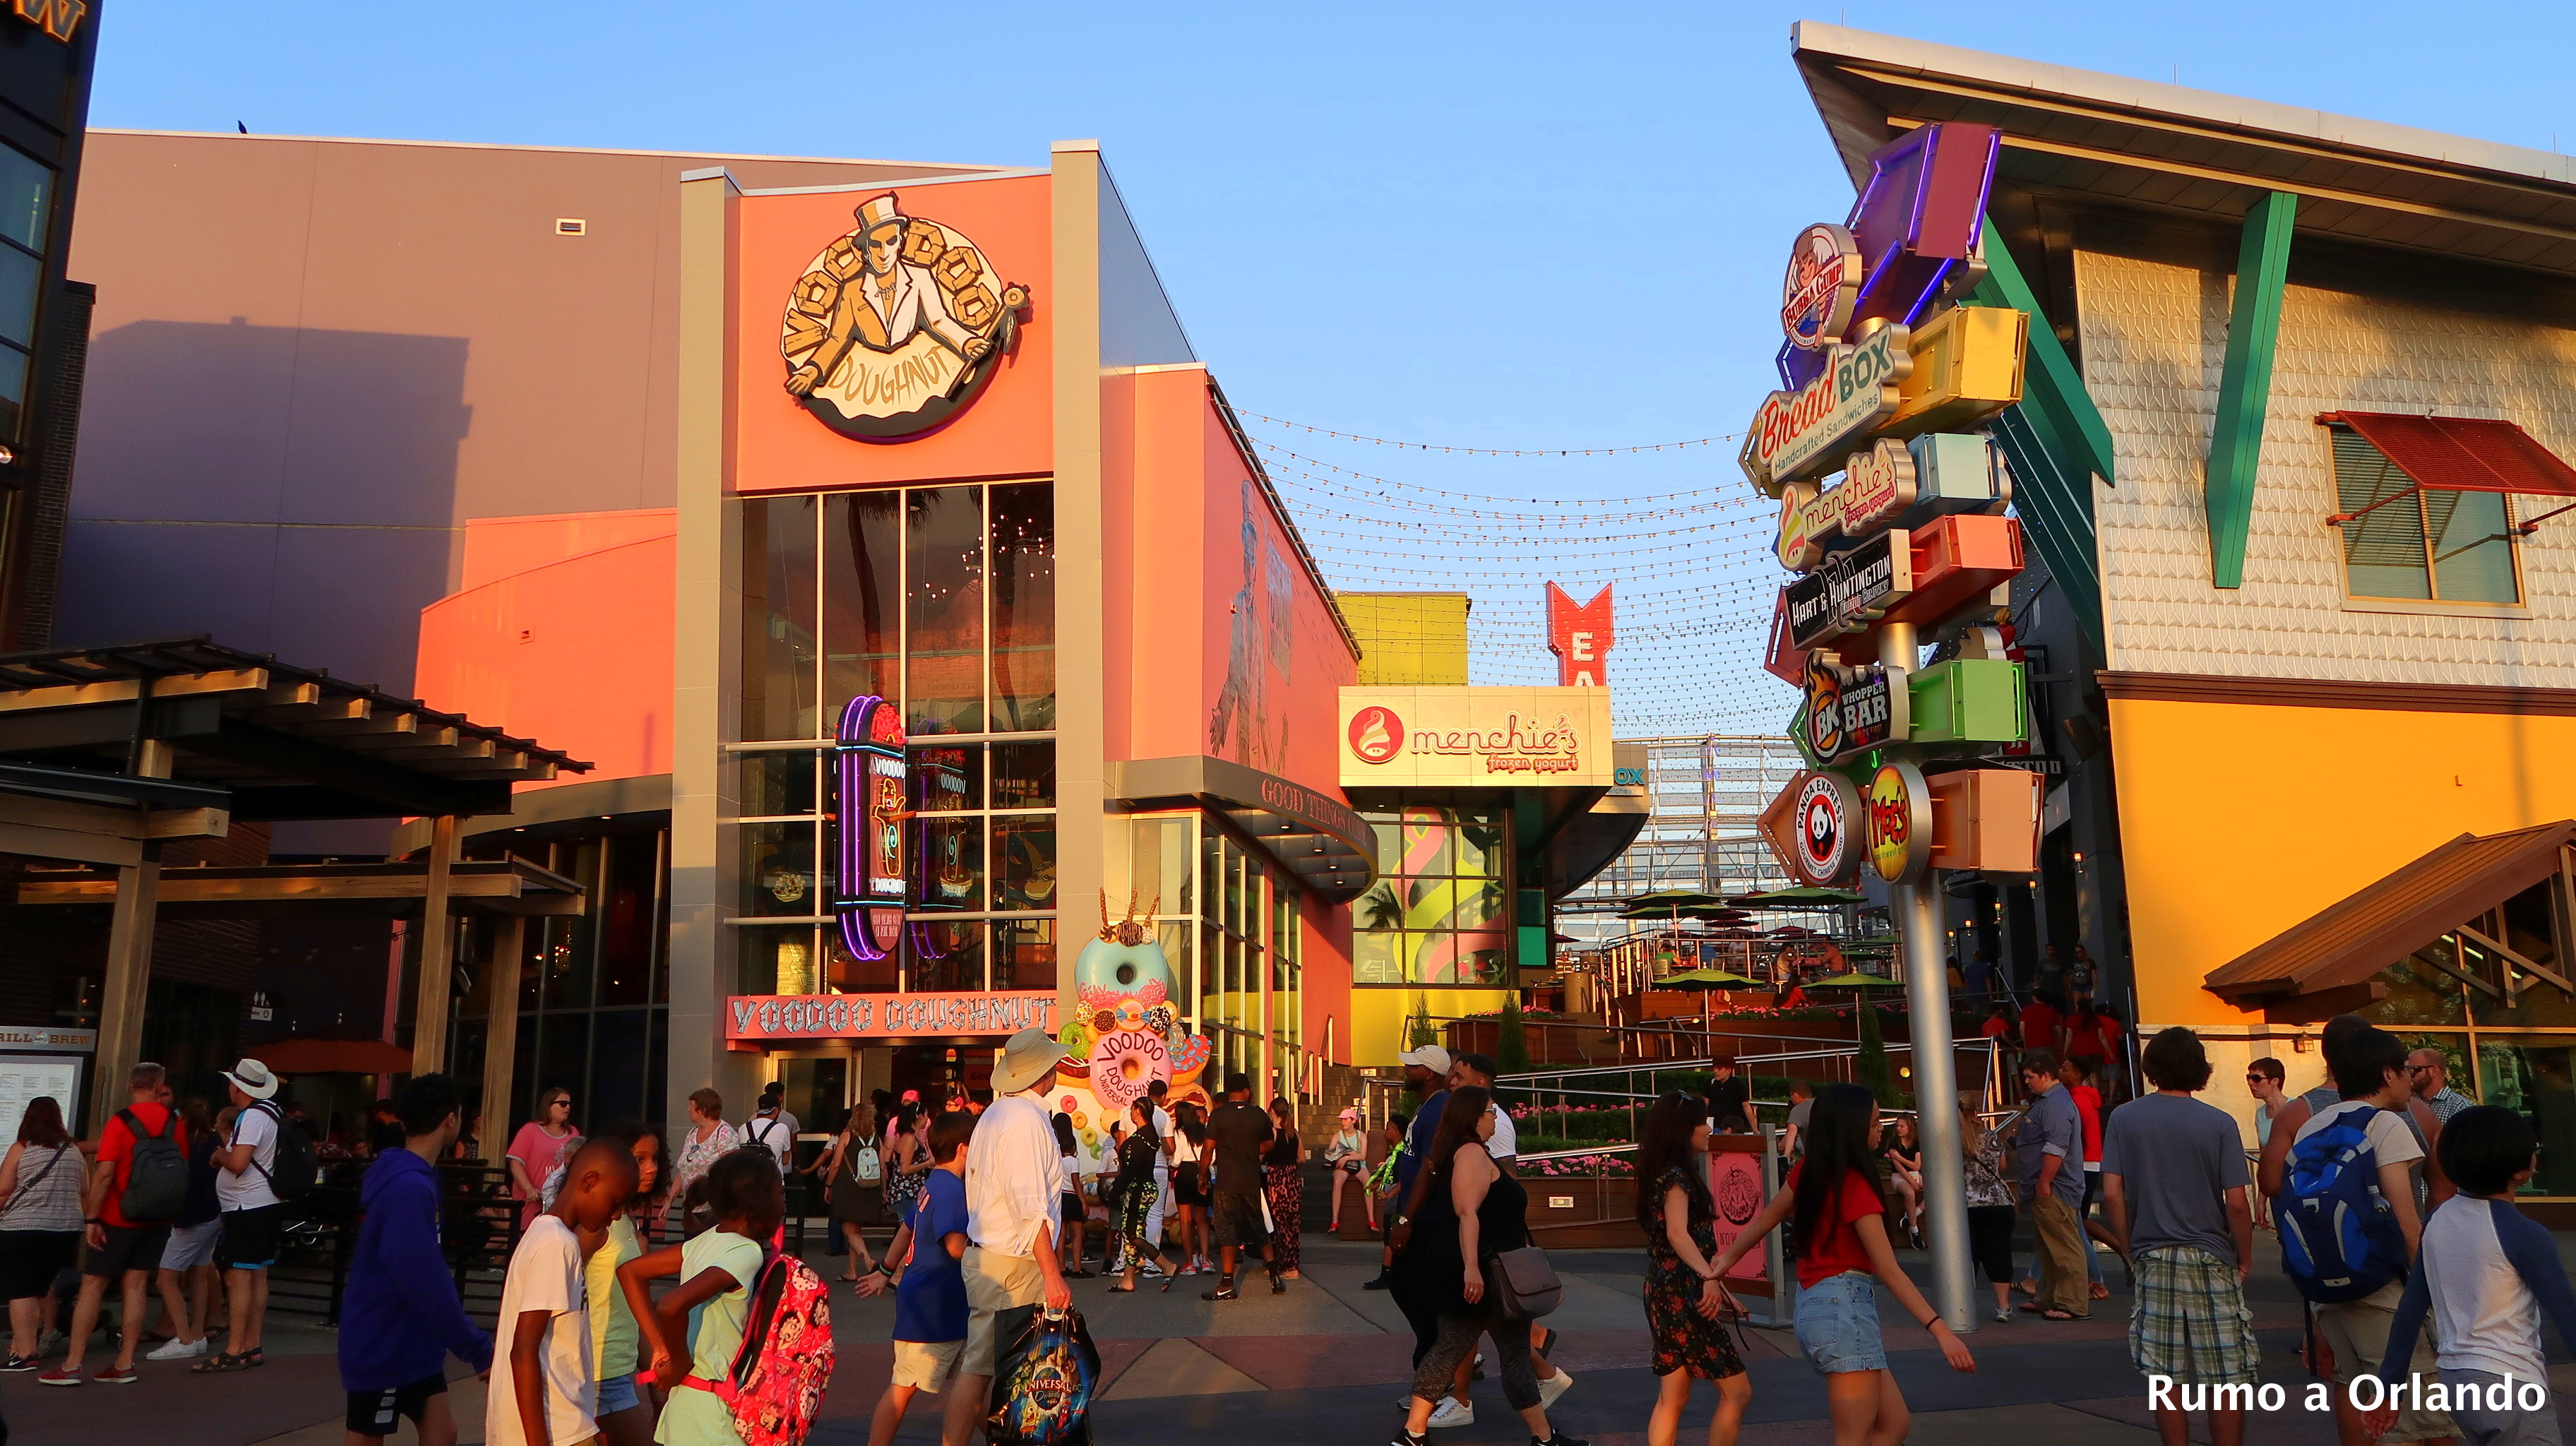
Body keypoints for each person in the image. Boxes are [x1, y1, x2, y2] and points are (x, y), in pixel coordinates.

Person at [1710, 1082, 1975, 1446]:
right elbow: (1889, 1269)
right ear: (1851, 1128)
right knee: (1853, 1437)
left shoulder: (1809, 1171)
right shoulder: (1853, 1185)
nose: (1880, 1128)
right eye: (1873, 1122)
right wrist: (1942, 1331)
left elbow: (1763, 1220)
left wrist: (1726, 1259)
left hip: (1819, 1306)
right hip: (1844, 1307)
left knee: (1894, 1425)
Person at [2368, 1106, 2576, 1446]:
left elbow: (2410, 1312)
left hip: (2456, 1379)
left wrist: (2390, 1389)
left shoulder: (2437, 1221)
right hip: (2511, 1381)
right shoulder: (2526, 1233)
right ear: (2522, 1170)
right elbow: (2566, 1314)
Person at [1391, 1087, 1585, 1446]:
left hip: (1481, 1270)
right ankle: (1543, 1438)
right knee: (1505, 1354)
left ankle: (1413, 1434)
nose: (1495, 1117)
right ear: (1474, 1117)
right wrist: (1471, 1269)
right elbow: (1467, 1214)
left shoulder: (1468, 1153)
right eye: (1491, 1111)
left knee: (1454, 1349)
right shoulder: (1470, 1154)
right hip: (1485, 1272)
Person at [2294, 1025, 2457, 1446]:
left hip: (2330, 1289)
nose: (2410, 1079)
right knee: (2424, 1422)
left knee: (2369, 1407)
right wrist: (2432, 1289)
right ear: (2387, 1075)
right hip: (2384, 1290)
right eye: (2405, 1069)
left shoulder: (2311, 1128)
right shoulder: (2386, 1124)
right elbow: (2407, 1220)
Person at [2101, 1028, 2258, 1446]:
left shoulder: (2124, 1118)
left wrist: (2128, 1248)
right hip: (2210, 1254)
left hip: (2152, 1252)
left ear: (2150, 1069)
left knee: (2163, 1369)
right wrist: (2243, 1256)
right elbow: (2238, 1203)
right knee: (2225, 1371)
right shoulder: (2220, 1123)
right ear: (2200, 1069)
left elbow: (2113, 1193)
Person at [339, 1073, 494, 1446]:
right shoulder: (411, 1187)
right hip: (383, 1341)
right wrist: (475, 1346)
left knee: (443, 1435)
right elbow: (421, 1277)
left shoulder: (414, 1178)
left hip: (411, 1340)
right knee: (365, 1438)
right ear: (451, 1119)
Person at [938, 1027, 1073, 1446]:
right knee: (1009, 1371)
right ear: (1044, 1071)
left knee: (982, 1369)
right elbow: (1030, 1207)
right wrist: (1053, 1274)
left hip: (989, 1254)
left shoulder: (995, 1115)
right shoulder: (1025, 1120)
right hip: (1014, 1262)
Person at [620, 1151, 780, 1446]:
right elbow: (671, 1305)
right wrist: (678, 1360)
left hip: (686, 1403)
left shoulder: (705, 1241)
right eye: (779, 1194)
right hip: (713, 1409)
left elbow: (631, 1272)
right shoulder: (746, 1251)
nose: (783, 1205)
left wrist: (659, 1347)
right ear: (759, 1200)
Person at [44, 1060, 187, 1386]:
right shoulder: (173, 1122)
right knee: (135, 1287)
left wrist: (92, 1217)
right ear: (159, 1086)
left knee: (93, 1286)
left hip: (118, 1217)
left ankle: (72, 1365)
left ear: (130, 1087)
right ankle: (124, 1363)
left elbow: (105, 1170)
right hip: (158, 1215)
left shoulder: (121, 1122)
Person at [484, 1139, 634, 1446]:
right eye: (616, 1201)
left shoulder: (548, 1234)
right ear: (589, 1182)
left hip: (565, 1420)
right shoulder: (557, 1244)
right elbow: (523, 1350)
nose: (618, 1214)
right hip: (556, 1428)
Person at [1635, 1092, 1749, 1446]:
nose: (1708, 1129)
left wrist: (1724, 1290)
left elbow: (1681, 1241)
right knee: (1737, 1392)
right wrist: (1712, 1279)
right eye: (1703, 1122)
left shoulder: (1661, 1172)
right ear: (1685, 1129)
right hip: (1684, 1292)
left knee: (1673, 1395)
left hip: (1664, 1288)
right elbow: (1678, 1234)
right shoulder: (1677, 1177)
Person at [860, 1109, 975, 1446]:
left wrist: (885, 1270)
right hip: (935, 1305)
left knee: (977, 1381)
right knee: (905, 1386)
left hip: (936, 1301)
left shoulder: (934, 1183)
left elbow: (907, 1227)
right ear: (963, 1149)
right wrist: (992, 1261)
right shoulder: (952, 1190)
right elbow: (956, 1247)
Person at [578, 1121, 665, 1446]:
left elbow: (633, 1309)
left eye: (655, 1159)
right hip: (597, 1371)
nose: (651, 1168)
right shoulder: (595, 1225)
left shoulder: (624, 1223)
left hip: (616, 1369)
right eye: (640, 1159)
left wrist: (655, 1372)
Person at [201, 1057, 290, 1373]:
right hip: (267, 1203)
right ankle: (252, 1344)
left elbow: (238, 1163)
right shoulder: (273, 1113)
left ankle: (235, 1348)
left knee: (238, 1278)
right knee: (258, 1275)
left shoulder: (251, 1117)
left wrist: (218, 1155)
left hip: (246, 1206)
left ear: (237, 1086)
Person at [0, 1097, 83, 1371]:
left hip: (23, 1229)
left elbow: (4, 1189)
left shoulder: (22, 1148)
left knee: (21, 1292)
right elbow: (85, 1188)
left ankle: (24, 1353)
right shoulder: (72, 1150)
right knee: (40, 1288)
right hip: (65, 1230)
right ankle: (25, 1345)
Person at [2015, 1049, 2090, 1321]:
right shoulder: (2049, 1102)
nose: (2027, 1082)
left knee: (2063, 1246)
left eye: (2030, 1077)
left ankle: (2072, 1303)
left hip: (2055, 1186)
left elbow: (2056, 1147)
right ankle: (2050, 1298)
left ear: (2046, 1075)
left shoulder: (2056, 1104)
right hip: (2045, 1185)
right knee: (2048, 1247)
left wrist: (2045, 1182)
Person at [146, 1096, 222, 1361]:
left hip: (189, 1218)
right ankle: (198, 1334)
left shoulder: (180, 1144)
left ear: (184, 1119)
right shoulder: (214, 1141)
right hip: (214, 1214)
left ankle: (184, 1337)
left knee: (166, 1278)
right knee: (199, 1274)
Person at [1201, 1072, 1276, 1300]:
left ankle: (1227, 1284)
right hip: (1251, 1181)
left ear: (1230, 1091)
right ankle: (1275, 1276)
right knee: (1258, 1228)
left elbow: (1208, 1148)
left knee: (1227, 1231)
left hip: (1227, 1182)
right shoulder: (1259, 1115)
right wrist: (1251, 1151)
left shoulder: (1218, 1115)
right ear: (1246, 1091)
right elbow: (1269, 1144)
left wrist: (1202, 1175)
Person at [1101, 1100, 1184, 1293]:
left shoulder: (1143, 1137)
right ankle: (1128, 1280)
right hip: (1138, 1187)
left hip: (1139, 1188)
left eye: (1132, 1110)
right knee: (1131, 1234)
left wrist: (1115, 1191)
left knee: (1132, 1234)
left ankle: (1166, 1266)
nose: (1130, 1113)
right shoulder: (1146, 1135)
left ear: (1138, 1111)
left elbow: (1132, 1169)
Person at [1958, 1098, 2018, 1324]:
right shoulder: (1991, 1136)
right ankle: (2003, 1307)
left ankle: (1962, 1307)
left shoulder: (1955, 1141)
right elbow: (2002, 1166)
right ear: (1976, 1113)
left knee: (1967, 1257)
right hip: (1997, 1202)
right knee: (2000, 1253)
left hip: (1966, 1204)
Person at [2058, 1055, 2113, 1301]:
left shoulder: (2076, 1100)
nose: (2060, 1072)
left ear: (2077, 1075)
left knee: (2073, 1224)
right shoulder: (2084, 1098)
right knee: (2073, 1222)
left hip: (2081, 1163)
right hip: (2090, 1162)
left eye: (2065, 1069)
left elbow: (2072, 1135)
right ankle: (2033, 1278)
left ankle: (2097, 1280)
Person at [815, 1102, 882, 1280]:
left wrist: (828, 1186)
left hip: (848, 1187)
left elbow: (836, 1164)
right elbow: (882, 1164)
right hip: (870, 1186)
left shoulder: (847, 1135)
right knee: (856, 1230)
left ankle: (868, 1260)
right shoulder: (876, 1137)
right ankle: (851, 1271)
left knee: (849, 1230)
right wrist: (884, 1188)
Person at [508, 1088, 581, 1230]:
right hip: (534, 1201)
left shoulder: (573, 1133)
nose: (568, 1108)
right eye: (563, 1104)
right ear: (549, 1105)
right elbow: (516, 1163)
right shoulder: (530, 1130)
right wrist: (529, 1189)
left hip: (561, 1201)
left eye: (569, 1104)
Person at [670, 1089, 740, 1206]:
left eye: (692, 1106)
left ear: (702, 1110)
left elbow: (729, 1172)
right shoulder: (692, 1134)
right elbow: (684, 1169)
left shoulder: (725, 1134)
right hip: (691, 1205)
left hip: (714, 1207)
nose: (688, 1109)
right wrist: (670, 1199)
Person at [1139, 1079, 1177, 1278]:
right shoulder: (1163, 1116)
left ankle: (1126, 1261)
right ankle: (1152, 1265)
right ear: (1164, 1095)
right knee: (1154, 1216)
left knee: (1135, 1216)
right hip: (1157, 1167)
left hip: (1136, 1168)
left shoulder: (1132, 1112)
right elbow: (1170, 1147)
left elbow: (1122, 1141)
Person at [1265, 1096, 1304, 1279]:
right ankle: (1290, 1263)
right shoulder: (1293, 1133)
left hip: (1277, 1179)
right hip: (1293, 1178)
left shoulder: (1272, 1132)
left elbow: (1261, 1155)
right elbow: (1302, 1158)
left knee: (1280, 1223)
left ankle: (1287, 1267)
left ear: (1273, 1111)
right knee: (1292, 1223)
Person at [1167, 1104, 1210, 1276]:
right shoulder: (1204, 1131)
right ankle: (1206, 1260)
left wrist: (1171, 1168)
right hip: (1202, 1172)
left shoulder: (1179, 1133)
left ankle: (1189, 1263)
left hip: (1184, 1173)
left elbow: (1177, 1159)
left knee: (1185, 1221)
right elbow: (1212, 1155)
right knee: (1202, 1220)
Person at [2247, 1057, 2288, 1231]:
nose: (2250, 1083)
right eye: (2248, 1078)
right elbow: (2264, 1160)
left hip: (2296, 1186)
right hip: (2276, 1190)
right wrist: (2261, 1201)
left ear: (2274, 1081)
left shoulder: (2295, 1108)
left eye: (2256, 1078)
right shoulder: (2261, 1115)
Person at [881, 1102, 931, 1244]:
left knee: (908, 1232)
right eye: (926, 1115)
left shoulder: (912, 1138)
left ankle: (901, 1264)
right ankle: (903, 1264)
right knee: (910, 1232)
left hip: (909, 1191)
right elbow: (905, 1169)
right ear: (919, 1116)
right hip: (906, 1192)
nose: (927, 1119)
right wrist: (928, 1164)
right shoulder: (909, 1138)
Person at [1050, 1113, 1092, 1279]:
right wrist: (1084, 1202)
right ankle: (1077, 1267)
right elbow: (1076, 1183)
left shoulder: (1056, 1158)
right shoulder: (1073, 1162)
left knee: (1061, 1234)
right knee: (1078, 1234)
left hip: (1059, 1197)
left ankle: (1061, 1266)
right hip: (1073, 1198)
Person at [1324, 1108, 1376, 1234]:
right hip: (1343, 1166)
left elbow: (1363, 1156)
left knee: (1368, 1183)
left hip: (1359, 1165)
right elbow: (1330, 1155)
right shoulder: (1338, 1136)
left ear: (1353, 1121)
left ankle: (1371, 1220)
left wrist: (1347, 1156)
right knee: (1337, 1183)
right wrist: (1348, 1155)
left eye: (1346, 1119)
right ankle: (1335, 1221)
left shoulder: (1361, 1136)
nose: (1343, 1122)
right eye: (1342, 1120)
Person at [1881, 1117, 1924, 1250]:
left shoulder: (1916, 1143)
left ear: (1909, 1128)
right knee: (1910, 1193)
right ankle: (1914, 1231)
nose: (1899, 1129)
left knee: (1935, 1191)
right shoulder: (1893, 1143)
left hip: (1915, 1175)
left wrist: (1899, 1157)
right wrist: (1911, 1182)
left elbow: (1917, 1166)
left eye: (1902, 1126)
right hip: (1899, 1177)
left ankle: (1912, 1214)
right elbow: (1898, 1168)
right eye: (1897, 1126)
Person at [2409, 1049, 2476, 1124]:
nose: (2409, 1076)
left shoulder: (2459, 1107)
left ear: (2433, 1071)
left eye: (2413, 1070)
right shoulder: (2410, 1104)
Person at [744, 1084, 797, 1177]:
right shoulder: (786, 1123)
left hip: (752, 1174)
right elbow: (786, 1160)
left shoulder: (745, 1127)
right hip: (776, 1176)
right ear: (776, 1110)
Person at [1703, 1058, 1751, 1135]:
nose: (1715, 1071)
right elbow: (1705, 1103)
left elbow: (1746, 1106)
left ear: (1729, 1070)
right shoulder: (1711, 1083)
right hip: (1714, 1125)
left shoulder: (1739, 1085)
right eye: (1714, 1068)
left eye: (1719, 1068)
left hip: (1734, 1127)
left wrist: (1755, 1130)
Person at [2020, 992, 2064, 1061]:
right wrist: (2060, 1044)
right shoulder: (2052, 1011)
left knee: (2034, 1067)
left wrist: (2025, 1043)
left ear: (2034, 998)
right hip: (2048, 1044)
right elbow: (2059, 1030)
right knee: (2048, 1066)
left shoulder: (2026, 1010)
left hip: (2031, 1044)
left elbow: (2022, 1029)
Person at [1781, 1080, 1814, 1158]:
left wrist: (1786, 1156)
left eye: (1791, 1095)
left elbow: (1791, 1132)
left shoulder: (1798, 1110)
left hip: (1814, 1157)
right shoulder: (1822, 1104)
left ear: (1795, 1095)